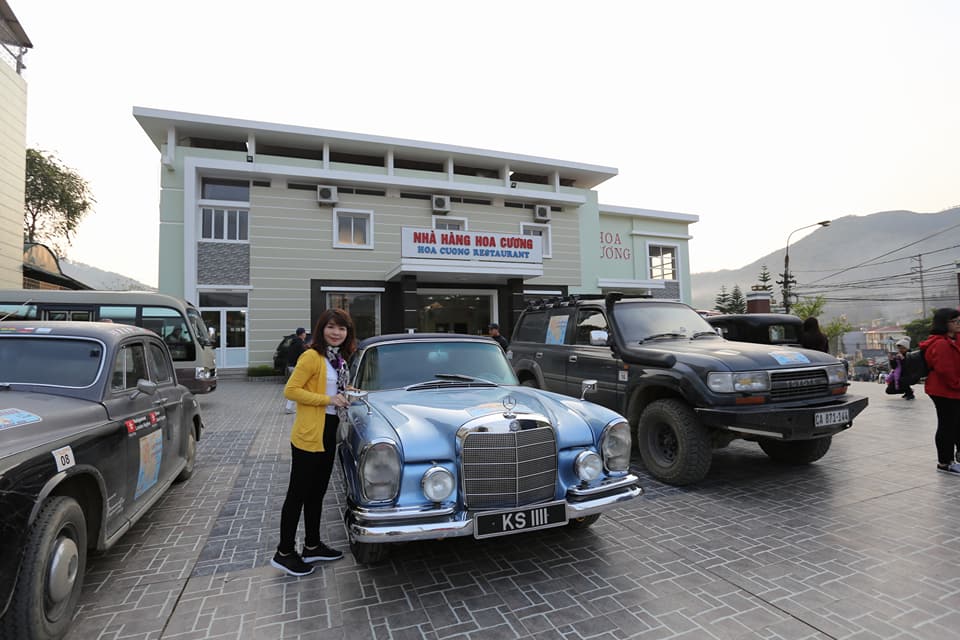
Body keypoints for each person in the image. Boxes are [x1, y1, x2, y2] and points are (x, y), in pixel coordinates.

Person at [271, 309, 354, 576]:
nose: (336, 332)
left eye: (341, 328)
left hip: (329, 431)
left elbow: (332, 390)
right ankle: (284, 552)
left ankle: (312, 545)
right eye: (331, 327)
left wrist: (345, 393)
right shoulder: (311, 356)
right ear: (321, 329)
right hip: (309, 435)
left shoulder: (338, 360)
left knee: (317, 493)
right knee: (298, 494)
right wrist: (328, 400)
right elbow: (291, 390)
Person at [919, 307, 960, 475]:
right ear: (944, 323)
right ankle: (945, 462)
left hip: (953, 389)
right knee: (947, 426)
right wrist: (957, 384)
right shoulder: (940, 344)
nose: (958, 324)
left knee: (956, 424)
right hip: (944, 391)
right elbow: (946, 371)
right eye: (954, 321)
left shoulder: (953, 339)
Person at [282, 327, 308, 414]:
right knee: (296, 387)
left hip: (291, 366)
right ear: (302, 334)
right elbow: (305, 355)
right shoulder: (300, 343)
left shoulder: (293, 342)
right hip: (296, 367)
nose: (305, 335)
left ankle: (290, 407)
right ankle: (289, 407)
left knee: (297, 386)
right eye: (305, 333)